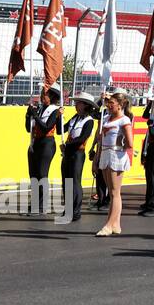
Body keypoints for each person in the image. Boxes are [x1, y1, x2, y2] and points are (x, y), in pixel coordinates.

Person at [95, 92, 136, 236]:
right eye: (107, 102)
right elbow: (100, 140)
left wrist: (120, 143)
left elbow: (130, 143)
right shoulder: (105, 118)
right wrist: (96, 159)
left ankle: (108, 225)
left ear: (120, 105)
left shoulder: (124, 120)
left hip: (116, 156)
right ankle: (116, 224)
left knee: (114, 192)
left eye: (111, 103)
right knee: (111, 192)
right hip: (105, 154)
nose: (108, 105)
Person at [57, 92, 97, 223]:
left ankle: (76, 210)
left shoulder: (89, 121)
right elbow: (60, 130)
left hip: (77, 154)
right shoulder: (75, 118)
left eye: (79, 102)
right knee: (66, 182)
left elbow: (82, 139)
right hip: (68, 153)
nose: (76, 104)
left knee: (74, 182)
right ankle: (67, 209)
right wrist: (59, 117)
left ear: (85, 105)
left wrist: (67, 145)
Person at [24, 86, 63, 216]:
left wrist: (35, 116)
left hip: (47, 143)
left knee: (42, 174)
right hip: (35, 142)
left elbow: (47, 127)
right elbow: (29, 129)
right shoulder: (40, 109)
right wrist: (28, 115)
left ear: (51, 97)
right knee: (33, 174)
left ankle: (41, 206)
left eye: (44, 94)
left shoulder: (55, 111)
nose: (42, 96)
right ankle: (34, 203)